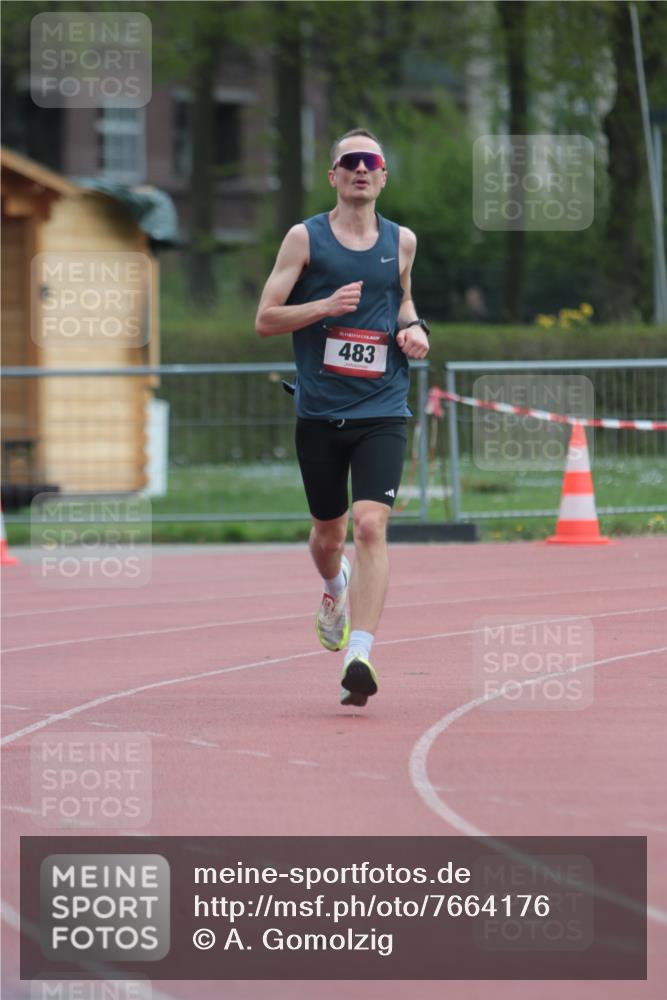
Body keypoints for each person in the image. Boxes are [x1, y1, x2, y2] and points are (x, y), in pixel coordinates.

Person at [255, 127, 429, 707]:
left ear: (383, 176)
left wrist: (414, 329)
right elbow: (265, 318)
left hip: (382, 406)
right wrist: (325, 307)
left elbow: (403, 298)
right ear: (333, 175)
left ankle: (361, 650)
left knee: (371, 525)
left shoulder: (401, 240)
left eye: (370, 161)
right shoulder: (304, 239)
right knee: (328, 536)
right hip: (320, 410)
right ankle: (334, 586)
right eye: (349, 161)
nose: (360, 169)